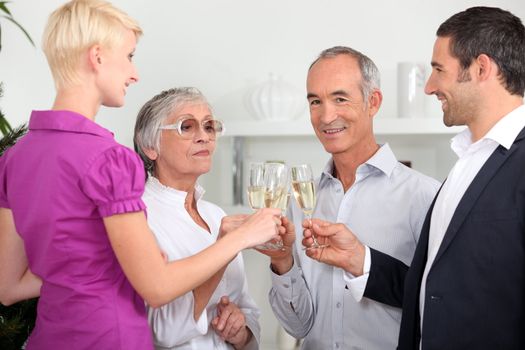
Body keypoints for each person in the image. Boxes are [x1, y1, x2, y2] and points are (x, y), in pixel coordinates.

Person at [0, 1, 282, 349]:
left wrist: (100, 263)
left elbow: (9, 286)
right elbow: (157, 287)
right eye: (129, 56)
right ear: (97, 57)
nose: (134, 74)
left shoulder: (14, 158)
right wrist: (241, 237)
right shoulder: (111, 160)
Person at [304, 6, 525, 350]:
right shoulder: (466, 164)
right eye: (315, 101)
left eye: (439, 69)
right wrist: (360, 259)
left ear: (481, 68)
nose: (429, 86)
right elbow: (432, 290)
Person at [259, 46, 440, 350]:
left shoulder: (426, 197)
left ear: (374, 102)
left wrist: (362, 262)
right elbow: (298, 326)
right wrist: (282, 261)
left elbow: (439, 309)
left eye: (340, 99)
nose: (327, 116)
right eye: (315, 101)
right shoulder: (300, 200)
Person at [134, 87, 262, 350]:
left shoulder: (216, 215)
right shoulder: (137, 217)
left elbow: (250, 317)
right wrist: (226, 246)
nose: (204, 137)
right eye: (187, 127)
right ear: (150, 146)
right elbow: (162, 333)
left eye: (209, 126)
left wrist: (240, 330)